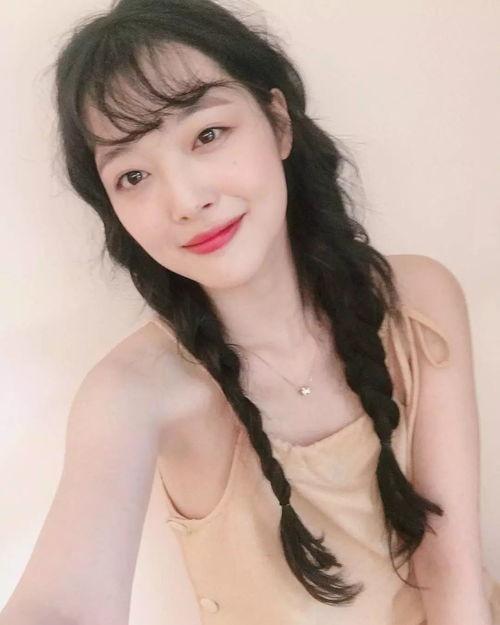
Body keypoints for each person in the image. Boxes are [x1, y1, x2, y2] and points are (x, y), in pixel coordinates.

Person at [1, 0, 499, 623]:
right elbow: (60, 604)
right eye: (132, 175)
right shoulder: (134, 392)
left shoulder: (417, 300)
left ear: (278, 123)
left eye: (207, 135)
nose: (186, 200)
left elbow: (454, 575)